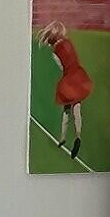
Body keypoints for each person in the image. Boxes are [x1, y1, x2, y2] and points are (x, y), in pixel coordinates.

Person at [39, 20, 92, 159]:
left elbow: (62, 67)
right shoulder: (69, 43)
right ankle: (78, 136)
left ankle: (62, 137)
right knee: (77, 109)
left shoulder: (55, 53)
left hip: (68, 80)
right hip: (79, 76)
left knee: (66, 111)